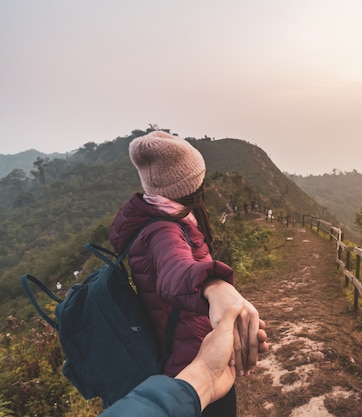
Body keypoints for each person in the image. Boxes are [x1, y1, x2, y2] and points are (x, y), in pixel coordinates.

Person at [109, 131, 267, 417]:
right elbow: (174, 272)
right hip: (189, 364)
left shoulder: (161, 219)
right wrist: (213, 283)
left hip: (189, 355)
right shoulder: (163, 230)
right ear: (191, 184)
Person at [101, 300, 258, 417]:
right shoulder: (153, 255)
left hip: (185, 371)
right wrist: (213, 284)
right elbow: (176, 266)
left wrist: (205, 376)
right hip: (187, 362)